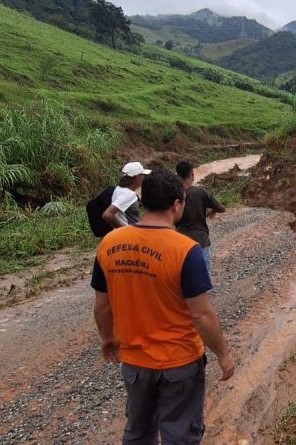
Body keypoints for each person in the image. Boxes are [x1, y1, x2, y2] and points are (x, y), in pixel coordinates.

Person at [91, 169, 235, 444]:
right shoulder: (185, 250)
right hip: (179, 362)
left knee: (138, 433)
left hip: (134, 363)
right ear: (177, 204)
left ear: (143, 202)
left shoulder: (109, 244)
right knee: (179, 435)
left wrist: (108, 339)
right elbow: (202, 315)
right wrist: (223, 354)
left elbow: (102, 304)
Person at [175, 161, 226, 275]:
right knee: (203, 278)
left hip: (179, 240)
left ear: (178, 175)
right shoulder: (200, 192)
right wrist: (214, 209)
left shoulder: (174, 194)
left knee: (182, 276)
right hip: (200, 240)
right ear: (192, 175)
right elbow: (222, 208)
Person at [102, 161, 151, 228]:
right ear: (136, 177)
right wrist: (122, 230)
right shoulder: (128, 194)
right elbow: (107, 214)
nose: (143, 178)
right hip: (129, 235)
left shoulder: (119, 188)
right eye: (142, 175)